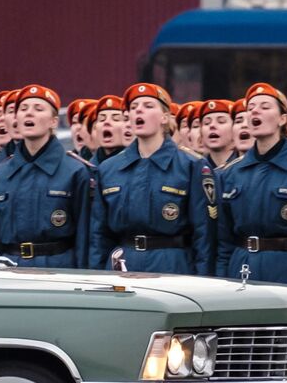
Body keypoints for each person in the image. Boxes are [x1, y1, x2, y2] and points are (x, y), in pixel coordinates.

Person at [88, 83, 215, 275]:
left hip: (172, 265)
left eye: (148, 106)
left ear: (164, 117)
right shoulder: (109, 169)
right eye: (133, 107)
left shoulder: (191, 165)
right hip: (122, 264)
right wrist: (96, 278)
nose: (139, 110)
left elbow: (204, 235)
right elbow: (98, 235)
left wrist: (204, 282)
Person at [215, 83, 287, 286]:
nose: (255, 111)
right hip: (241, 271)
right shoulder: (231, 173)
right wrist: (221, 282)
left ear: (282, 119)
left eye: (265, 106)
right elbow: (223, 242)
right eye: (250, 108)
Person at [0, 85, 94, 268]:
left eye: (38, 109)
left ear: (53, 122)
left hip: (59, 269)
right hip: (12, 269)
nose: (29, 114)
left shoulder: (74, 171)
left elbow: (85, 237)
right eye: (23, 109)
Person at [197, 99, 237, 169]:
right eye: (207, 123)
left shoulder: (245, 167)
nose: (212, 125)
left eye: (221, 121)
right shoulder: (197, 168)